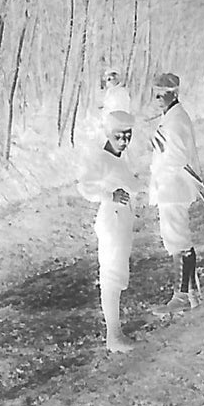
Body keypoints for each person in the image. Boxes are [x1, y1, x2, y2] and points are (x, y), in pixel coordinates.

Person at [75, 108, 141, 352]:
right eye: (118, 136)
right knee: (111, 276)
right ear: (108, 134)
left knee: (118, 273)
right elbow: (84, 186)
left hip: (122, 220)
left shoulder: (118, 158)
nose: (124, 141)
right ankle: (113, 335)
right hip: (111, 220)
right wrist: (109, 195)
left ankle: (116, 333)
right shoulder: (100, 158)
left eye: (127, 136)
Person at [147, 72, 203, 313]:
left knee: (178, 241)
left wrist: (163, 178)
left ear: (175, 94)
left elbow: (178, 157)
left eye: (164, 94)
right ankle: (190, 294)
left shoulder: (177, 120)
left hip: (174, 188)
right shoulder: (169, 117)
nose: (159, 98)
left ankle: (180, 296)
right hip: (169, 188)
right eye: (156, 93)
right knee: (176, 240)